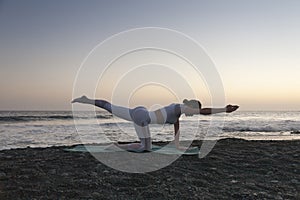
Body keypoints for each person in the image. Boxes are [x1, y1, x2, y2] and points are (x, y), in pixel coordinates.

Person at [71, 96, 239, 151]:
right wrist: (224, 109)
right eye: (194, 112)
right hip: (142, 117)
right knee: (146, 148)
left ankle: (87, 100)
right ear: (191, 107)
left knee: (109, 106)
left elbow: (177, 132)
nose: (194, 115)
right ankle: (118, 147)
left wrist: (177, 145)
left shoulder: (177, 115)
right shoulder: (180, 107)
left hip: (140, 112)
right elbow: (204, 111)